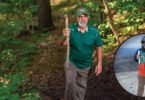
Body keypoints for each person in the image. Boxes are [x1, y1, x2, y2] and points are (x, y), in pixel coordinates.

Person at [61, 8, 103, 100]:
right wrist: (65, 36)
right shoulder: (70, 29)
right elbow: (62, 44)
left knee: (82, 86)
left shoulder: (94, 31)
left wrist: (99, 64)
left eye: (84, 16)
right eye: (80, 16)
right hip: (72, 62)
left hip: (86, 64)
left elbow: (99, 46)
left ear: (87, 18)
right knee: (70, 84)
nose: (82, 19)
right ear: (76, 18)